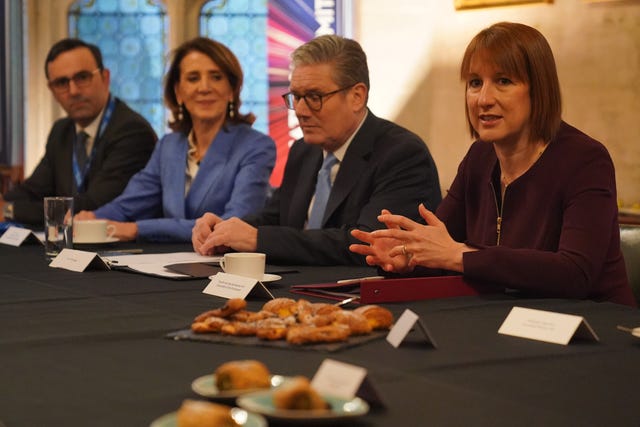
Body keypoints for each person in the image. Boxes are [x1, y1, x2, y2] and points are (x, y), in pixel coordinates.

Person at [350, 22, 635, 306]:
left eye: (503, 81)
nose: (483, 99)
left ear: (539, 90)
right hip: (504, 320)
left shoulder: (585, 159)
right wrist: (408, 257)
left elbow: (575, 273)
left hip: (596, 331)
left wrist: (460, 255)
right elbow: (445, 253)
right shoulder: (479, 157)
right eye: (475, 83)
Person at [192, 34, 441, 265]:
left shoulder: (402, 154)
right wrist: (224, 230)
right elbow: (273, 219)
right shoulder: (304, 150)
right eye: (296, 97)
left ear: (357, 96)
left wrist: (258, 239)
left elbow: (366, 243)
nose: (300, 110)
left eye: (314, 97)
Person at [75, 37, 276, 242]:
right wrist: (93, 218)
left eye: (216, 77)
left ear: (232, 90)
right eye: (193, 78)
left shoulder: (257, 146)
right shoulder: (168, 146)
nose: (204, 87)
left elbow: (235, 223)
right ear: (178, 92)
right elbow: (130, 204)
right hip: (167, 264)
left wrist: (136, 229)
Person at [0, 38, 156, 225]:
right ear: (52, 90)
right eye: (62, 82)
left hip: (121, 248)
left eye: (82, 77)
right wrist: (5, 201)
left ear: (105, 78)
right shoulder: (61, 131)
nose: (73, 91)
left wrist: (9, 210)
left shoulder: (132, 131)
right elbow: (33, 190)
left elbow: (94, 204)